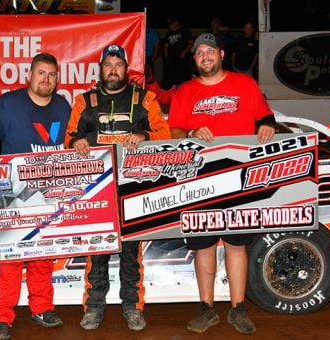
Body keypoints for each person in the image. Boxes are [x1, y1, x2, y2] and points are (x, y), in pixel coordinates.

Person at [167, 32, 275, 334]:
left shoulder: (245, 84)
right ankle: (207, 308)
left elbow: (266, 117)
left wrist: (267, 126)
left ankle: (238, 308)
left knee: (235, 244)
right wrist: (189, 135)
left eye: (210, 51)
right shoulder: (185, 91)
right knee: (203, 245)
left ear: (222, 55)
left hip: (240, 177)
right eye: (199, 52)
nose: (205, 57)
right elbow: (173, 131)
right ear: (195, 58)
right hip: (199, 178)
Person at [65, 44, 171, 332]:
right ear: (100, 69)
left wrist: (143, 134)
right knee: (96, 250)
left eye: (119, 65)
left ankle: (132, 307)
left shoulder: (145, 99)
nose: (113, 70)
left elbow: (165, 134)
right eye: (108, 65)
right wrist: (75, 143)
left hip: (134, 187)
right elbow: (69, 136)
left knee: (131, 252)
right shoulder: (83, 101)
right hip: (96, 189)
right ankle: (94, 308)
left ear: (127, 69)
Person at [0, 53, 69, 340]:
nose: (46, 79)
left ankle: (42, 308)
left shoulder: (63, 106)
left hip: (49, 194)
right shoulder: (9, 104)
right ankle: (1, 317)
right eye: (41, 73)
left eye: (51, 74)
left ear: (57, 79)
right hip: (14, 196)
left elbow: (73, 139)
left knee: (42, 255)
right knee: (9, 257)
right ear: (29, 75)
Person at [163, 16, 194, 89]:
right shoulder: (169, 33)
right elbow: (166, 46)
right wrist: (166, 58)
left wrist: (184, 52)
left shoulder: (184, 31)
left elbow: (191, 42)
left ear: (176, 23)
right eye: (169, 24)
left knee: (183, 80)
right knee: (172, 81)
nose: (170, 26)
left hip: (182, 61)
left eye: (172, 24)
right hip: (172, 61)